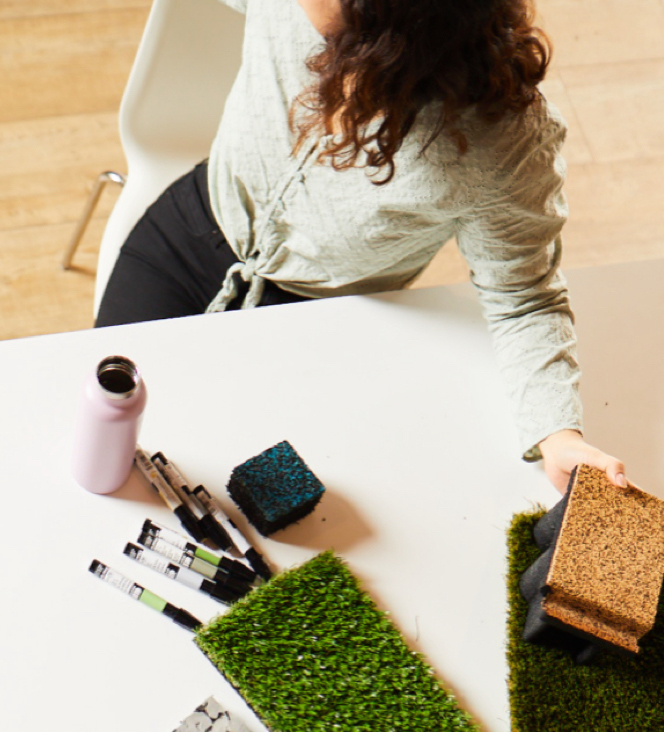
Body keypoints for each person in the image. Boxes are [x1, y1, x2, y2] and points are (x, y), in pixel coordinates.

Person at [96, 0, 626, 495]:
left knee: (238, 492)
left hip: (320, 316)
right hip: (191, 228)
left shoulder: (504, 139)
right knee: (102, 430)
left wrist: (558, 432)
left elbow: (524, 297)